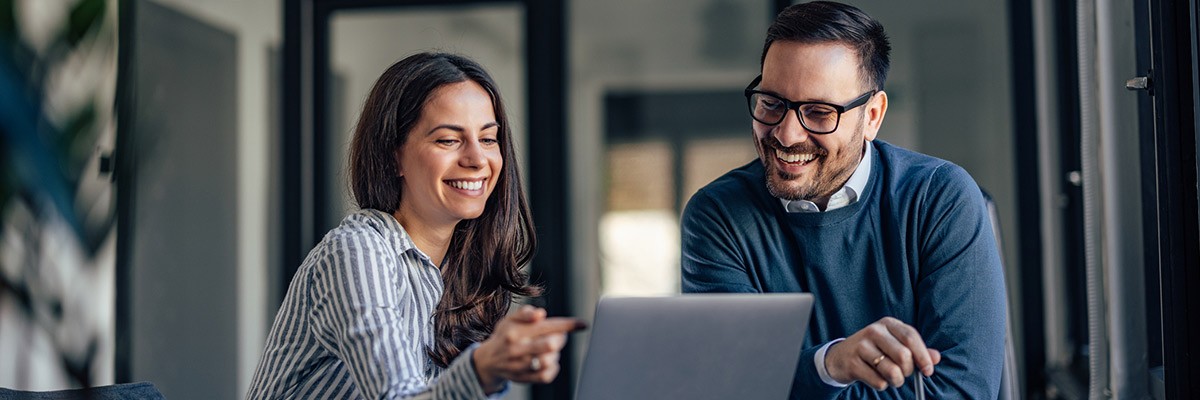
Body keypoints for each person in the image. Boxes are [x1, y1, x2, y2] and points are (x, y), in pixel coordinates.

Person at [680, 2, 1007, 399]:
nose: (786, 135)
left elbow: (963, 392)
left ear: (872, 115)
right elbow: (736, 385)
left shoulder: (940, 199)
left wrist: (798, 377)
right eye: (771, 103)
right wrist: (830, 365)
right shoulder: (717, 216)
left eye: (818, 112)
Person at [246, 52, 584, 399]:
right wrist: (480, 370)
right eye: (448, 140)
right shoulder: (356, 252)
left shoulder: (462, 271)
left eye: (487, 138)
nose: (477, 159)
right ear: (394, 157)